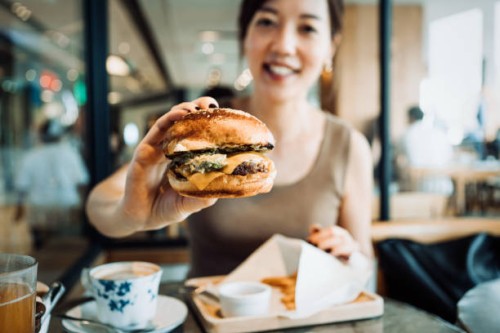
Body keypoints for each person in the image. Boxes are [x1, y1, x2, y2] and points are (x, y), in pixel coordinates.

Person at [86, 0, 374, 277]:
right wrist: (133, 214)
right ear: (245, 36)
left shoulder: (348, 146)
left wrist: (350, 257)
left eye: (307, 28)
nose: (284, 45)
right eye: (267, 22)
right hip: (207, 321)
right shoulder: (201, 127)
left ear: (331, 46)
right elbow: (98, 207)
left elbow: (364, 261)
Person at [15, 118, 89, 248]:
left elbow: (22, 186)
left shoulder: (31, 156)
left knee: (42, 250)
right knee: (66, 249)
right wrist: (84, 207)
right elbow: (82, 182)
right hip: (67, 207)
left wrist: (19, 208)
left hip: (39, 211)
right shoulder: (70, 154)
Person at [398, 105, 454, 194]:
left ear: (410, 118)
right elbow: (450, 157)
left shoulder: (407, 134)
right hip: (445, 187)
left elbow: (397, 156)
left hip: (420, 189)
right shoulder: (438, 133)